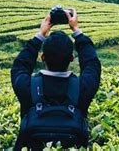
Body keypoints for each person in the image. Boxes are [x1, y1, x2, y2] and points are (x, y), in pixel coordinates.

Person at [11, 8, 101, 150]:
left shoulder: (27, 86)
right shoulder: (82, 88)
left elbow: (20, 65)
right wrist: (76, 30)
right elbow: (92, 63)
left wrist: (41, 34)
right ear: (71, 58)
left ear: (43, 57)